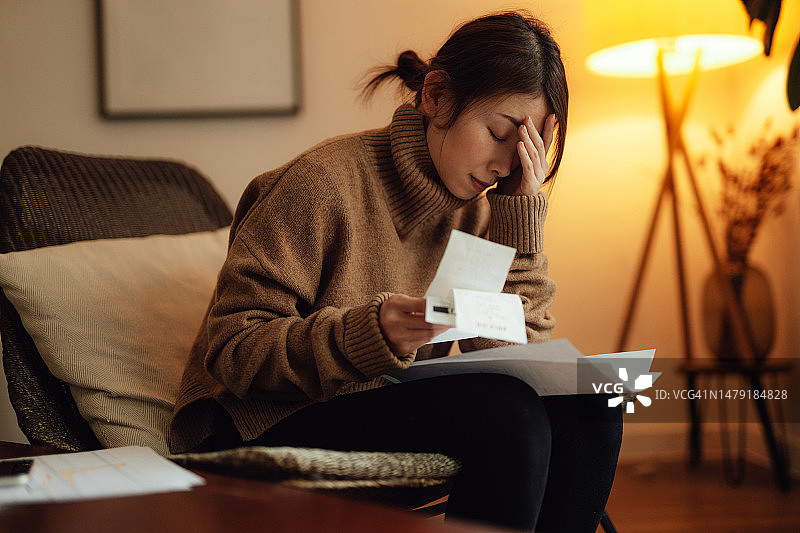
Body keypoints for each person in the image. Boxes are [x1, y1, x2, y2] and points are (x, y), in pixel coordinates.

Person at [169, 10, 622, 533]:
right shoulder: (320, 185)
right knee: (509, 413)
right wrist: (365, 334)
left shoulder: (478, 207)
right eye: (499, 133)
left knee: (589, 408)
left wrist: (520, 220)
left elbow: (510, 356)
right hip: (265, 420)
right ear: (436, 97)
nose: (506, 165)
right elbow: (232, 351)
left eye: (525, 151)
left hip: (382, 405)